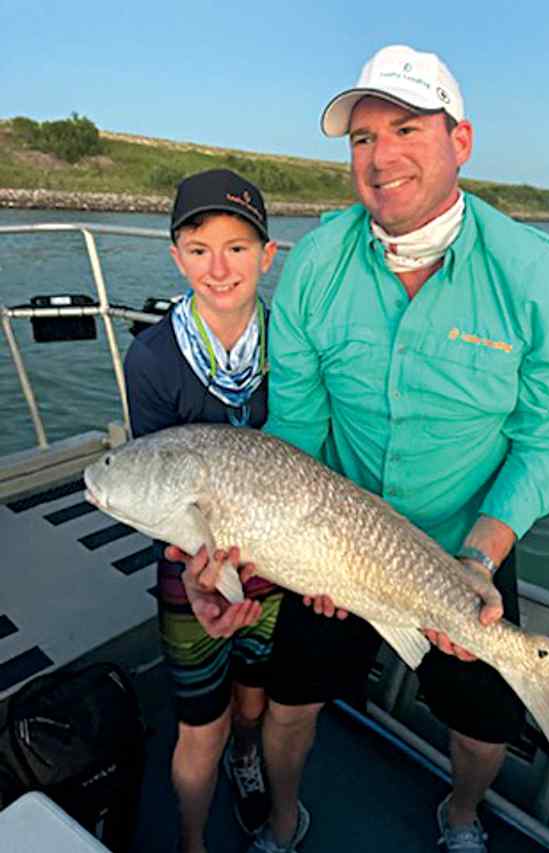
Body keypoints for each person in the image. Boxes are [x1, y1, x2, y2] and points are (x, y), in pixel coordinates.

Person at [180, 44, 549, 853]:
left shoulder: (542, 282)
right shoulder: (314, 268)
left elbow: (545, 440)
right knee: (292, 699)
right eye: (361, 140)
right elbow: (295, 436)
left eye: (405, 128)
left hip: (464, 541)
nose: (379, 158)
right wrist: (283, 557)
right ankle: (285, 821)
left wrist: (480, 554)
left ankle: (463, 817)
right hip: (333, 527)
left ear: (460, 141)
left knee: (483, 721)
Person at [123, 168, 281, 853]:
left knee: (252, 698)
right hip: (190, 563)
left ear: (268, 255)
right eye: (198, 248)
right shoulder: (153, 357)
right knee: (201, 723)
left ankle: (248, 759)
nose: (218, 268)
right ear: (175, 256)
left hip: (277, 555)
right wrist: (194, 569)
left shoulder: (293, 344)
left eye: (238, 247)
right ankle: (193, 842)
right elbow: (152, 484)